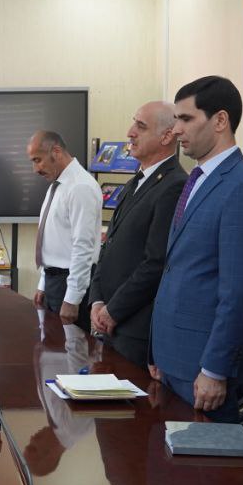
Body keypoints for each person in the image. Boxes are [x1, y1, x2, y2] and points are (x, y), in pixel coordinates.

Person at [151, 75, 243, 422]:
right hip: (173, 359)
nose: (176, 129)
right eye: (175, 119)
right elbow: (178, 267)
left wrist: (215, 369)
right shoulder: (197, 179)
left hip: (205, 370)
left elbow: (242, 291)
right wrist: (157, 350)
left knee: (202, 459)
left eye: (186, 119)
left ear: (220, 120)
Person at [89, 103, 187, 368]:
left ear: (167, 136)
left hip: (134, 329)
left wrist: (113, 311)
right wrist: (97, 300)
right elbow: (108, 246)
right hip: (109, 322)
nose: (130, 132)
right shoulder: (135, 182)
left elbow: (155, 263)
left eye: (140, 127)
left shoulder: (174, 185)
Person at [28, 130, 101, 329]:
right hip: (54, 282)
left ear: (57, 152)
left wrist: (72, 298)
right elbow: (55, 240)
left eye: (38, 160)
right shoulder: (58, 184)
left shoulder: (80, 187)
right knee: (52, 345)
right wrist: (43, 284)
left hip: (69, 284)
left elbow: (83, 247)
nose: (35, 169)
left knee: (70, 347)